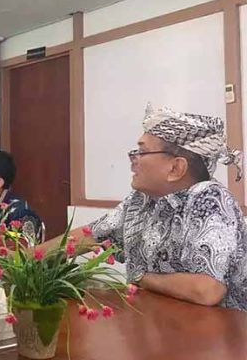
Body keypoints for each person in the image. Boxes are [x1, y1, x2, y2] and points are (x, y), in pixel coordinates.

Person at [89, 104, 246, 310]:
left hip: (226, 326)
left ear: (176, 168)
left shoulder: (209, 198)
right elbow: (90, 236)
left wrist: (141, 277)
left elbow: (207, 290)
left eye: (142, 152)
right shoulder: (141, 200)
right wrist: (43, 259)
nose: (133, 160)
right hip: (169, 319)